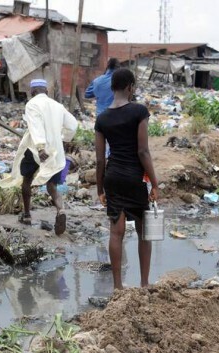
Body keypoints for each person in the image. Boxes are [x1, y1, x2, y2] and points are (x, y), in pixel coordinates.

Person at [94, 68, 158, 290]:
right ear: (131, 87)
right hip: (134, 178)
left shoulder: (102, 118)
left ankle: (118, 287)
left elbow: (100, 160)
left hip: (113, 177)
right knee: (143, 232)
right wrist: (155, 183)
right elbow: (143, 151)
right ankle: (144, 283)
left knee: (116, 232)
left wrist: (99, 188)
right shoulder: (139, 111)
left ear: (112, 88)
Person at [0, 79, 78, 235]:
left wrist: (41, 146)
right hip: (55, 150)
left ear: (32, 92)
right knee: (52, 186)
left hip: (35, 148)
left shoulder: (32, 104)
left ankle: (27, 215)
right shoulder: (58, 106)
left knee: (26, 179)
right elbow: (73, 125)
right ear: (46, 92)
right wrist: (63, 137)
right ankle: (61, 210)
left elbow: (35, 125)